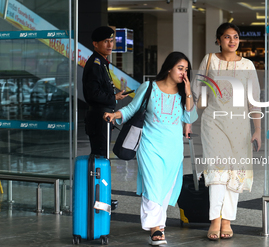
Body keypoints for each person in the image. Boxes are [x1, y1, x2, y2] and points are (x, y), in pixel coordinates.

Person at [104, 52, 198, 245]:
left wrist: (188, 91)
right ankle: (155, 228)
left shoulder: (183, 95)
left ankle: (159, 224)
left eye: (186, 70)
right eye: (180, 68)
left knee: (165, 188)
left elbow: (189, 119)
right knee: (153, 185)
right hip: (149, 145)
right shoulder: (149, 88)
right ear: (169, 67)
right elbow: (132, 109)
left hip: (173, 149)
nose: (183, 73)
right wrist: (116, 115)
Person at [191, 22, 262, 240]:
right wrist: (206, 101)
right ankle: (215, 220)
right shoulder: (209, 59)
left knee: (236, 171)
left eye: (235, 37)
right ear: (219, 39)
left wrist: (257, 130)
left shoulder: (248, 65)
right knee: (217, 169)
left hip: (240, 124)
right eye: (227, 37)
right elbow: (197, 89)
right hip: (214, 122)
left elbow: (254, 100)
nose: (232, 41)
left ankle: (227, 219)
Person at [83, 26, 128, 156]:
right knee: (100, 155)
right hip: (98, 119)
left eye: (111, 41)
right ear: (95, 44)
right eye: (105, 41)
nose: (110, 45)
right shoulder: (95, 64)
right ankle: (97, 177)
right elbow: (93, 93)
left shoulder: (102, 62)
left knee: (102, 154)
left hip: (104, 117)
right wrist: (114, 98)